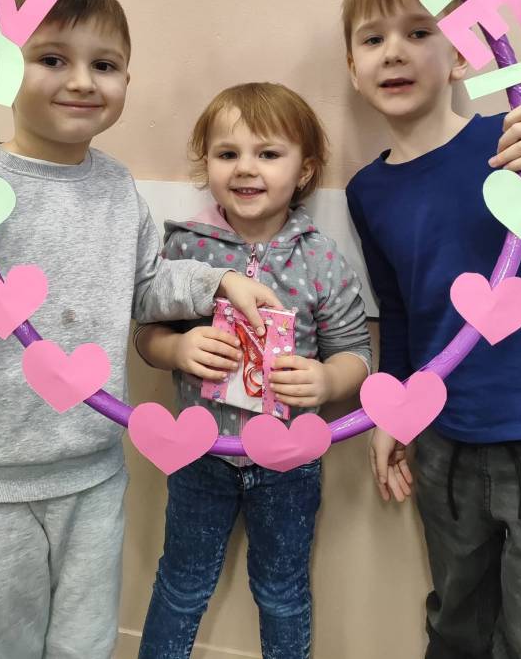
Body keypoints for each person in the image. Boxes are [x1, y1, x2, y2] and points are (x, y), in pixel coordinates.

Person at [0, 0, 278, 659]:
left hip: (91, 475)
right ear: (2, 68)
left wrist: (219, 282)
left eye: (104, 65)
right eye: (52, 59)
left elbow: (145, 285)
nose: (81, 81)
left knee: (85, 645)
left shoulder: (115, 186)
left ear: (127, 79)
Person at [343, 0, 521, 658]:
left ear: (460, 57)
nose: (394, 52)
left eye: (418, 32)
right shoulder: (366, 191)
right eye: (372, 39)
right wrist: (392, 411)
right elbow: (399, 312)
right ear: (352, 69)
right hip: (445, 441)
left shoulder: (517, 144)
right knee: (455, 623)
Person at [135, 82, 371, 659]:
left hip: (288, 461)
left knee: (282, 593)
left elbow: (356, 354)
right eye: (227, 153)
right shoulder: (184, 249)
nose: (245, 168)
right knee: (181, 586)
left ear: (304, 170)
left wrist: (328, 381)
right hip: (199, 453)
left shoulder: (320, 258)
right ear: (207, 164)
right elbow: (146, 336)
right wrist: (177, 350)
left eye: (268, 153)